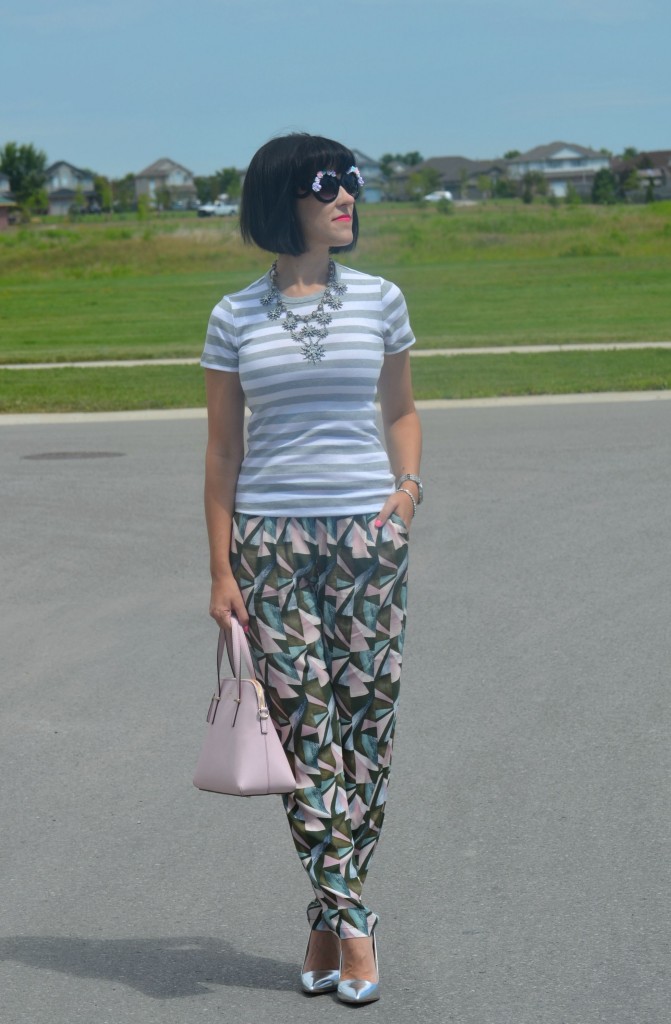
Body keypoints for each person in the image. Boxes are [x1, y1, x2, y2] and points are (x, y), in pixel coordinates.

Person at [201, 132, 422, 1005]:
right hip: (269, 544)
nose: (348, 198)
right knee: (303, 735)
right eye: (328, 184)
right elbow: (223, 451)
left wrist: (405, 495)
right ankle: (356, 920)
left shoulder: (382, 300)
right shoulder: (234, 316)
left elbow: (400, 410)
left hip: (367, 540)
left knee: (366, 731)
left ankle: (329, 911)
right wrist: (219, 570)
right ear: (282, 198)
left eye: (352, 184)